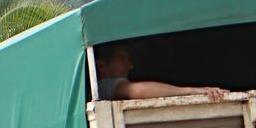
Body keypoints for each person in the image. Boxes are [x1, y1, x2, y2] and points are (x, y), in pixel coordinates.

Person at [95, 43, 228, 102]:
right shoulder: (103, 86)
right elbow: (138, 90)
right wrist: (192, 91)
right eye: (122, 59)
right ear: (101, 65)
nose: (130, 66)